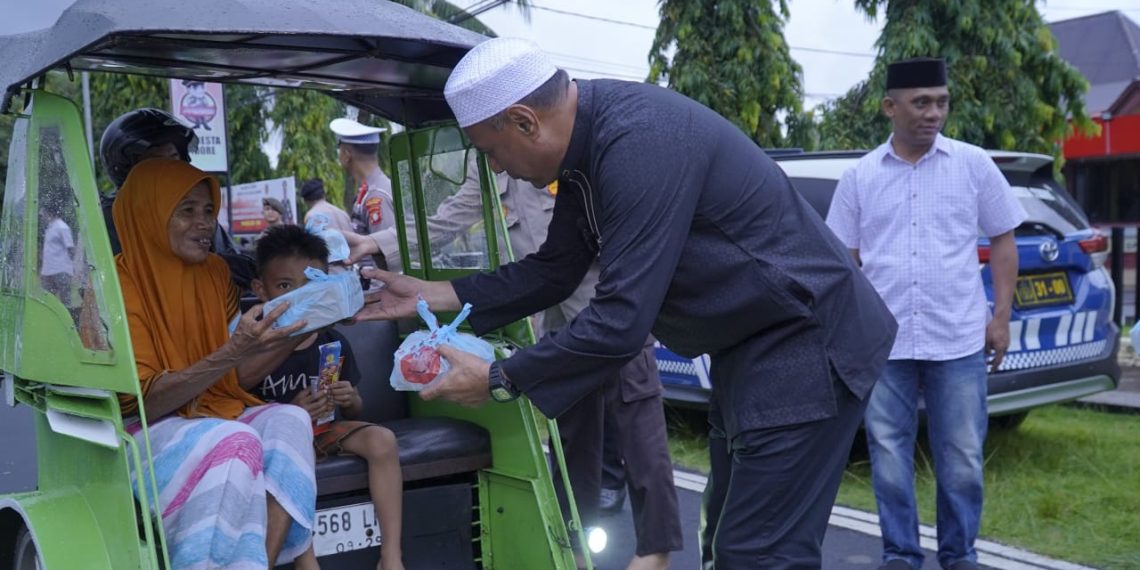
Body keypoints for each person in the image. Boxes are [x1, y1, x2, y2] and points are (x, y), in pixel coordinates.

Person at [355, 38, 898, 569]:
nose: (495, 168)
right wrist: (435, 293)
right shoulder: (586, 149)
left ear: (524, 121)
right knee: (725, 538)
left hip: (805, 342)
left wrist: (501, 377)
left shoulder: (639, 142)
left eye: (490, 151)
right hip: (750, 348)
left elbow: (621, 320)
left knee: (759, 553)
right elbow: (556, 268)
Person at [343, 165, 682, 569]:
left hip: (615, 317)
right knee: (573, 446)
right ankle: (574, 548)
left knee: (641, 438)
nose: (487, 154)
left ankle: (655, 552)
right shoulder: (489, 165)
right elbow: (446, 220)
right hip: (561, 328)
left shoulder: (570, 154)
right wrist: (373, 242)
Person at [825, 57, 1026, 570]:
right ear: (890, 107)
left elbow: (1003, 242)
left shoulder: (972, 165)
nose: (933, 113)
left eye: (941, 102)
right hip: (884, 343)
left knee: (962, 459)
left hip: (957, 336)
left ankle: (960, 556)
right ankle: (900, 555)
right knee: (889, 456)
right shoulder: (860, 177)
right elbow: (844, 262)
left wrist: (1000, 318)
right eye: (921, 103)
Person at [114, 157, 318, 569]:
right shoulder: (115, 284)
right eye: (186, 210)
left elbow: (232, 379)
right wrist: (234, 349)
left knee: (291, 421)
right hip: (138, 431)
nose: (204, 223)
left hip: (209, 410)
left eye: (208, 210)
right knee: (235, 440)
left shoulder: (214, 274)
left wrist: (305, 325)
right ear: (148, 214)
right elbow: (144, 402)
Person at [249, 224, 406, 570]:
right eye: (285, 286)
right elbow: (239, 412)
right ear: (261, 289)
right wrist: (292, 412)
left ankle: (391, 556)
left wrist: (348, 398)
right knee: (293, 456)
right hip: (276, 446)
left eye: (311, 287)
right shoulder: (254, 348)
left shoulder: (332, 341)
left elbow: (356, 410)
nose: (301, 298)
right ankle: (307, 560)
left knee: (382, 440)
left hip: (324, 432)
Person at [99, 108, 258, 291]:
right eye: (157, 161)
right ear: (128, 168)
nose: (171, 169)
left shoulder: (199, 212)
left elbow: (232, 270)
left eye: (174, 158)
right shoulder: (111, 219)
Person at [329, 118, 396, 236]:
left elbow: (387, 246)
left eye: (340, 149)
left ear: (347, 155)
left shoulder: (376, 197)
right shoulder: (369, 190)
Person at [39, 203, 75, 303]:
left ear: (50, 213)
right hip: (48, 270)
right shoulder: (50, 227)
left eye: (44, 214)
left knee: (65, 300)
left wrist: (72, 266)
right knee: (47, 300)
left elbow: (70, 247)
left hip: (60, 269)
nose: (43, 217)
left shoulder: (62, 227)